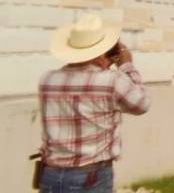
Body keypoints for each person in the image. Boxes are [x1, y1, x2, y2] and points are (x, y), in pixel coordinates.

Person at [37, 14, 150, 193]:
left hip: (50, 174)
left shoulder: (47, 80)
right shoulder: (112, 81)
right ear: (101, 52)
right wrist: (127, 65)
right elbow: (142, 104)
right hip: (90, 175)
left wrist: (104, 63)